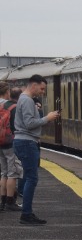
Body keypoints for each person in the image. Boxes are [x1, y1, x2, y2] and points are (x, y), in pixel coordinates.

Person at [12, 74, 60, 225]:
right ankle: (26, 214)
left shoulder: (24, 99)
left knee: (29, 177)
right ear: (34, 85)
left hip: (24, 141)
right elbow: (29, 123)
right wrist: (48, 118)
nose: (43, 92)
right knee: (31, 178)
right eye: (42, 88)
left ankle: (27, 213)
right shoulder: (26, 100)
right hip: (26, 142)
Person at [0, 82, 21, 211]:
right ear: (7, 92)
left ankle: (2, 201)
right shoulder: (11, 106)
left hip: (0, 143)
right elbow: (15, 126)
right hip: (10, 142)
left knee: (3, 172)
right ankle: (10, 202)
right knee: (13, 172)